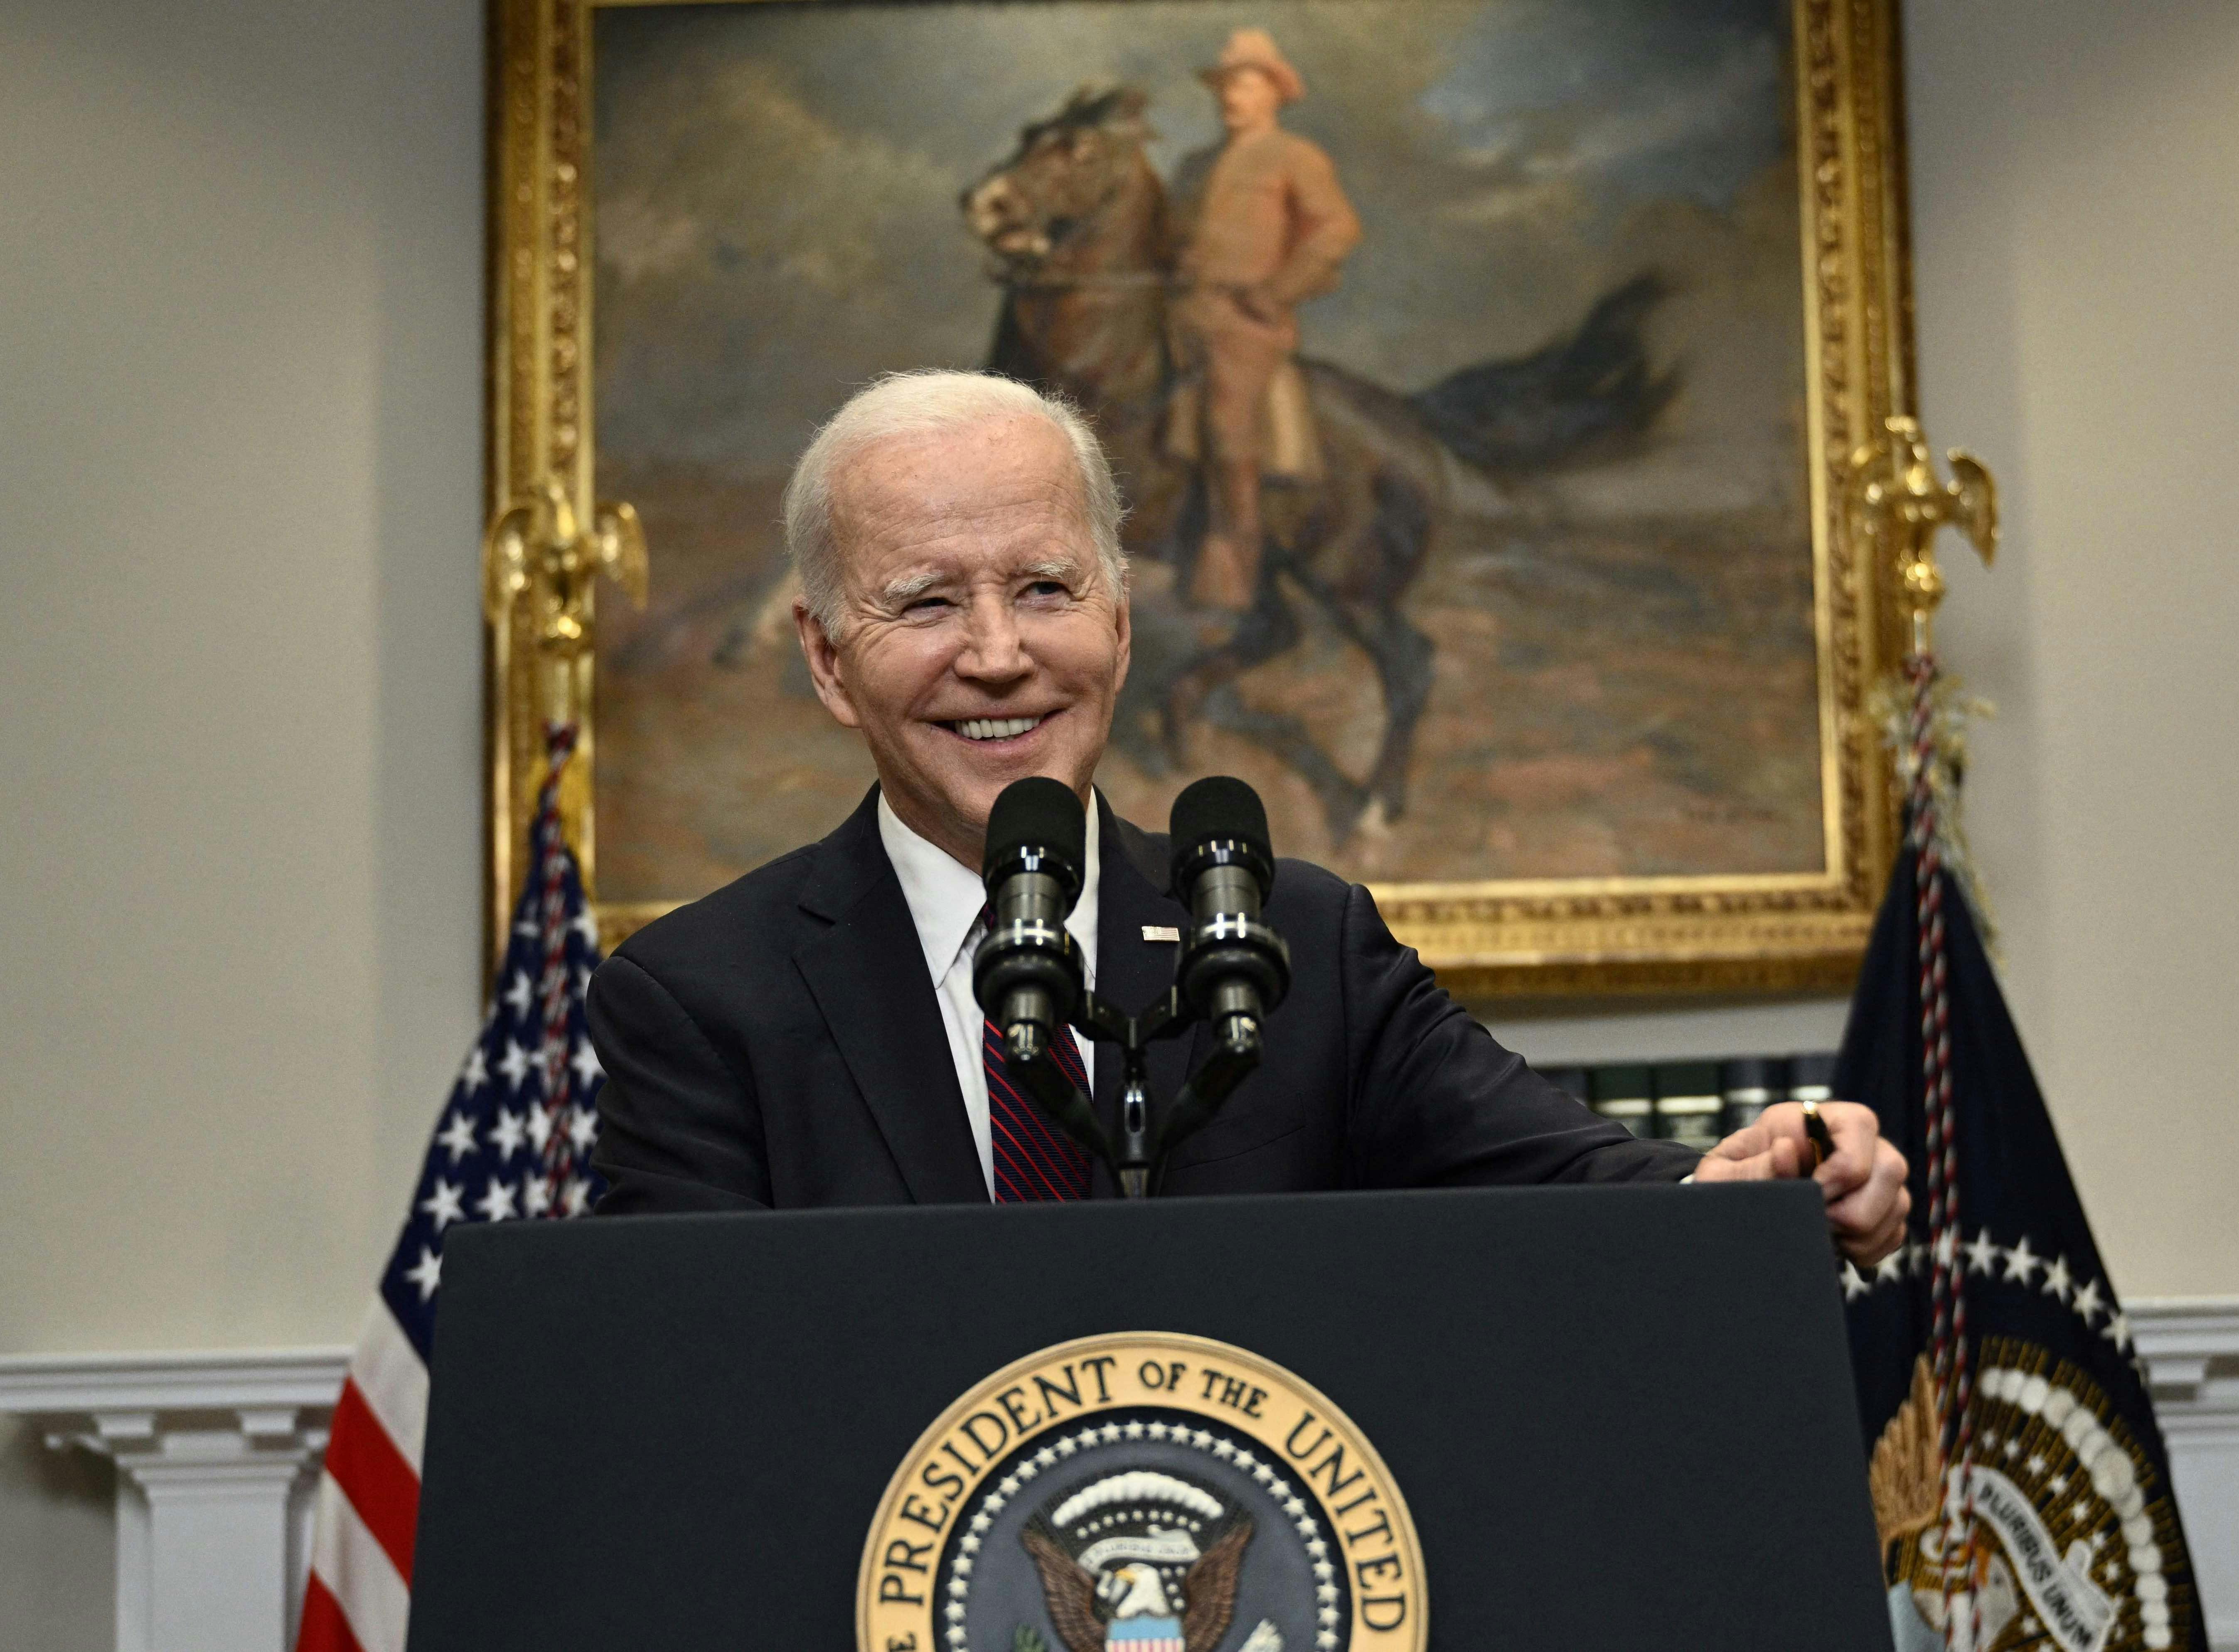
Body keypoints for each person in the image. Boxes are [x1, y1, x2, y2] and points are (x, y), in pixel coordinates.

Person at [587, 370, 1908, 1265]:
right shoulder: (700, 998)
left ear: (1118, 620)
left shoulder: (1295, 941)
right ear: (827, 660)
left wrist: (1746, 1188)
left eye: (1044, 588)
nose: (996, 656)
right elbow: (686, 1371)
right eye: (926, 603)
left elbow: (1556, 1179)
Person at [1166, 29, 1361, 611]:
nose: (1232, 98)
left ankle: (1234, 569)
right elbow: (1171, 236)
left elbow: (1337, 229)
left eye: (1247, 86)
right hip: (1180, 315)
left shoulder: (1294, 156)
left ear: (1274, 93)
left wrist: (1278, 292)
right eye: (1226, 87)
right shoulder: (1196, 166)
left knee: (1228, 425)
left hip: (1245, 324)